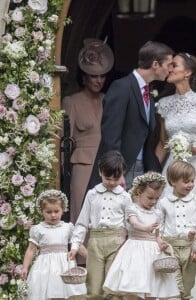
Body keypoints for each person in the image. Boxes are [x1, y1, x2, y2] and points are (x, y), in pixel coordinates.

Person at [87, 41, 174, 190]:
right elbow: (111, 136)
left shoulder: (148, 93)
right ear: (155, 64)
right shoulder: (122, 87)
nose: (171, 69)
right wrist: (116, 172)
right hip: (120, 171)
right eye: (169, 64)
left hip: (141, 169)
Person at [103, 172, 180, 299]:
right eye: (150, 198)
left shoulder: (157, 213)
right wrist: (146, 228)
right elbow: (134, 223)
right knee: (133, 286)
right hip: (135, 250)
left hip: (152, 252)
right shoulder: (133, 209)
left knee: (153, 287)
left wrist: (161, 243)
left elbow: (157, 234)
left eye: (157, 198)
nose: (153, 201)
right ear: (139, 192)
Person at [63, 38, 114, 224]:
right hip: (82, 164)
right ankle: (79, 253)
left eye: (102, 76)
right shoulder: (72, 101)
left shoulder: (108, 99)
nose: (98, 80)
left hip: (107, 166)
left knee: (106, 215)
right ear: (84, 77)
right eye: (94, 76)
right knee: (81, 213)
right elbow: (65, 140)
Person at [69, 150, 131, 300]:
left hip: (117, 242)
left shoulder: (125, 197)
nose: (111, 182)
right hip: (95, 242)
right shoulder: (92, 194)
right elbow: (82, 223)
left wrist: (128, 245)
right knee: (94, 288)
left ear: (122, 173)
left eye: (115, 179)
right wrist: (75, 246)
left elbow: (130, 225)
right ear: (100, 171)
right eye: (107, 178)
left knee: (113, 287)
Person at [155, 52, 196, 196]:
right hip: (172, 168)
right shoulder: (164, 104)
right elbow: (163, 142)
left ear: (187, 72)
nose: (169, 69)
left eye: (174, 65)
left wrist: (194, 150)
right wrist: (153, 171)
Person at [21, 189, 87, 299]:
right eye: (48, 212)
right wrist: (25, 268)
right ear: (42, 211)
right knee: (44, 292)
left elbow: (78, 244)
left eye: (56, 211)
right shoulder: (38, 229)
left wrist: (90, 257)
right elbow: (31, 250)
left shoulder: (68, 227)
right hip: (44, 267)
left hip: (64, 265)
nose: (53, 215)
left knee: (66, 292)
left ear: (63, 210)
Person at [157, 160, 196, 299]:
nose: (190, 185)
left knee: (187, 285)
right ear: (172, 182)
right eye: (186, 181)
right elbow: (159, 226)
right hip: (170, 248)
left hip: (190, 248)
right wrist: (159, 242)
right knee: (175, 285)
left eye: (192, 181)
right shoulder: (164, 203)